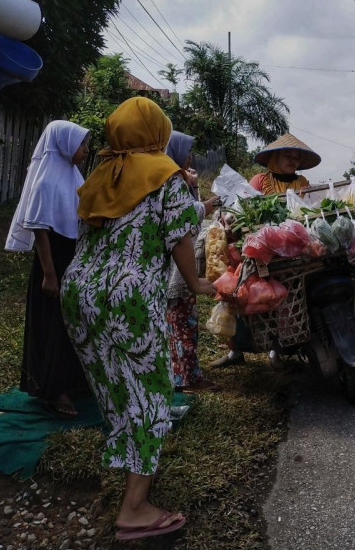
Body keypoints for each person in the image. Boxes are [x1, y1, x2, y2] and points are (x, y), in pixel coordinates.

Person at [60, 97, 216, 540]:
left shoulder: (99, 174)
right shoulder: (163, 173)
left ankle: (130, 470)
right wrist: (199, 283)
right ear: (157, 131)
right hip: (127, 298)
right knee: (151, 393)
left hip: (78, 295)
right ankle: (134, 508)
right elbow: (180, 236)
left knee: (115, 386)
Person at [212, 132, 321, 369]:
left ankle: (278, 347)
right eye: (288, 156)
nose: (293, 161)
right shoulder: (259, 181)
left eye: (296, 157)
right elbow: (242, 208)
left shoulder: (302, 184)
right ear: (275, 158)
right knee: (241, 290)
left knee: (288, 293)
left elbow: (311, 209)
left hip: (294, 247)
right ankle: (236, 350)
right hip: (262, 248)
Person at [5, 120, 90, 417]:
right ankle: (55, 391)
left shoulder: (73, 174)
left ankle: (72, 382)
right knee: (53, 325)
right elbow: (40, 230)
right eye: (81, 144)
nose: (85, 150)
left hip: (70, 256)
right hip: (51, 260)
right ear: (65, 143)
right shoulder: (44, 180)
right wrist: (50, 275)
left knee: (71, 323)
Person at [164, 130, 221, 393]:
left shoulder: (177, 180)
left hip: (180, 266)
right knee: (182, 324)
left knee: (183, 322)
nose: (189, 157)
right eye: (186, 152)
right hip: (177, 267)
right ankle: (187, 379)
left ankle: (183, 375)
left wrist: (195, 186)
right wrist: (206, 207)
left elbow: (190, 212)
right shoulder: (169, 181)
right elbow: (187, 216)